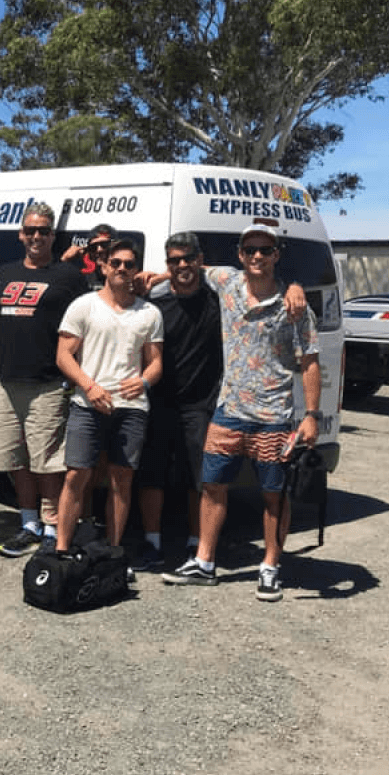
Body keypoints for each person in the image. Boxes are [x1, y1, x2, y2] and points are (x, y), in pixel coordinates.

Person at [162, 224, 321, 602]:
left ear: (277, 255)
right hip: (228, 410)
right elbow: (188, 269)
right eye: (250, 250)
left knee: (273, 497)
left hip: (274, 416)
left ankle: (269, 566)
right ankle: (204, 561)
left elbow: (311, 363)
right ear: (240, 254)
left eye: (265, 250)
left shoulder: (295, 306)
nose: (257, 257)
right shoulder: (227, 282)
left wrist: (311, 415)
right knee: (213, 488)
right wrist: (149, 276)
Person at [0, 203, 89, 557]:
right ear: (21, 234)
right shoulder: (4, 274)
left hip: (48, 383)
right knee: (13, 459)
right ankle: (28, 524)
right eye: (30, 230)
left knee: (46, 462)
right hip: (7, 381)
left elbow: (86, 326)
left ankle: (51, 527)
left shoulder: (68, 277)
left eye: (43, 231)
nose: (36, 236)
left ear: (52, 235)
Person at [54, 238, 164, 553]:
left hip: (131, 407)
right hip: (87, 404)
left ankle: (113, 550)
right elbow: (63, 355)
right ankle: (62, 550)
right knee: (76, 476)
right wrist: (88, 386)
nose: (122, 269)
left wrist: (143, 382)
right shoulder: (83, 305)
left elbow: (156, 362)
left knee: (121, 481)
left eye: (129, 264)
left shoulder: (149, 314)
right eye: (116, 263)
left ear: (136, 270)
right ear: (104, 266)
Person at [130, 232, 222, 572]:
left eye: (188, 258)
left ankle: (195, 544)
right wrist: (164, 278)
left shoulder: (217, 301)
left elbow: (251, 279)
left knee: (197, 478)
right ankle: (152, 542)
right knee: (151, 475)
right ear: (166, 262)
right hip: (158, 401)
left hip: (200, 404)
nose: (182, 265)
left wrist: (295, 287)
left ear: (200, 259)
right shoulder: (155, 305)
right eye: (174, 260)